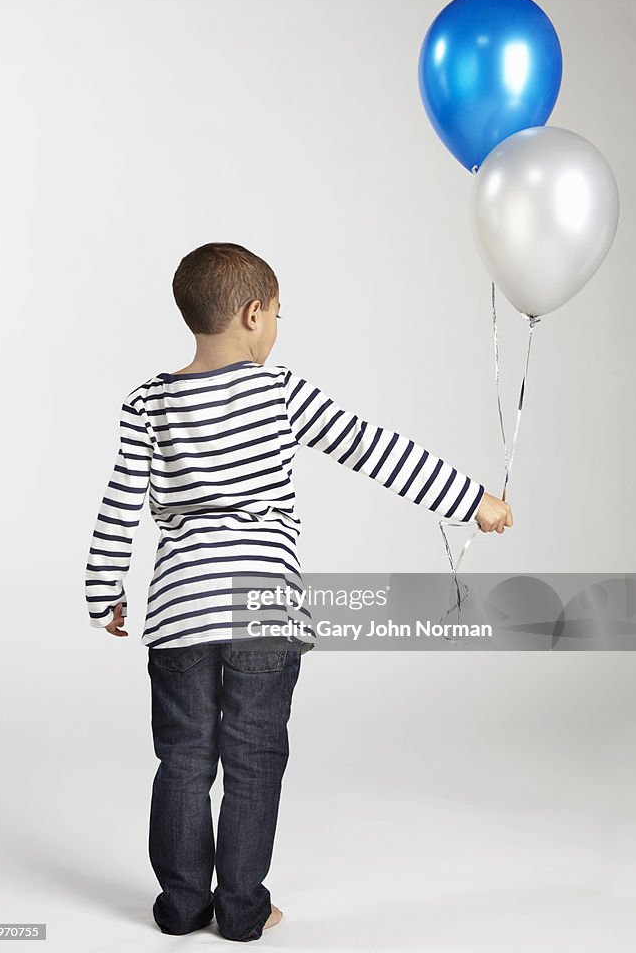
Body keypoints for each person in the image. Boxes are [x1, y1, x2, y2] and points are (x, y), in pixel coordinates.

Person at [84, 241, 513, 941]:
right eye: (279, 314)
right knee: (253, 759)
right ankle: (243, 911)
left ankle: (183, 907)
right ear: (253, 315)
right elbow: (375, 448)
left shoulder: (148, 402)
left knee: (183, 759)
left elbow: (118, 504)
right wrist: (472, 501)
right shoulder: (279, 391)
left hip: (179, 612)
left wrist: (104, 594)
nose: (278, 328)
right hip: (264, 608)